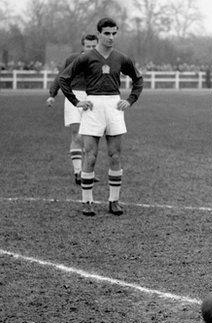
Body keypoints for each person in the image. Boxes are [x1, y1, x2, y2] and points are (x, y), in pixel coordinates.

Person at [59, 17, 143, 216]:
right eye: (107, 33)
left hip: (114, 106)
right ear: (99, 34)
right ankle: (87, 202)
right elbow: (64, 78)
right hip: (94, 106)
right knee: (91, 155)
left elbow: (138, 79)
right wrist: (76, 101)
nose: (111, 37)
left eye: (114, 33)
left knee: (115, 155)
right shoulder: (87, 57)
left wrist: (130, 100)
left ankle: (114, 201)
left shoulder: (121, 58)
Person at [46, 34, 98, 185]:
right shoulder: (73, 59)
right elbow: (60, 76)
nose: (91, 49)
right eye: (88, 46)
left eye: (94, 46)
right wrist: (52, 95)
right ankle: (78, 172)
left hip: (93, 98)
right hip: (73, 97)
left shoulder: (100, 61)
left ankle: (87, 172)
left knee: (90, 137)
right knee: (77, 135)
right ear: (83, 46)